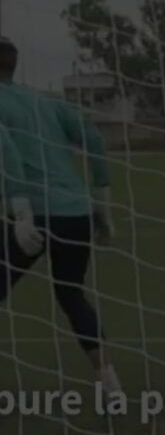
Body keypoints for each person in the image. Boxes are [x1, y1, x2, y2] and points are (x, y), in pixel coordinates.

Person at [0, 37, 120, 396]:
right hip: (77, 213)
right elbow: (94, 140)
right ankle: (109, 381)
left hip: (32, 214)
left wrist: (22, 212)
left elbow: (8, 153)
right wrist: (102, 206)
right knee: (70, 293)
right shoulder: (45, 101)